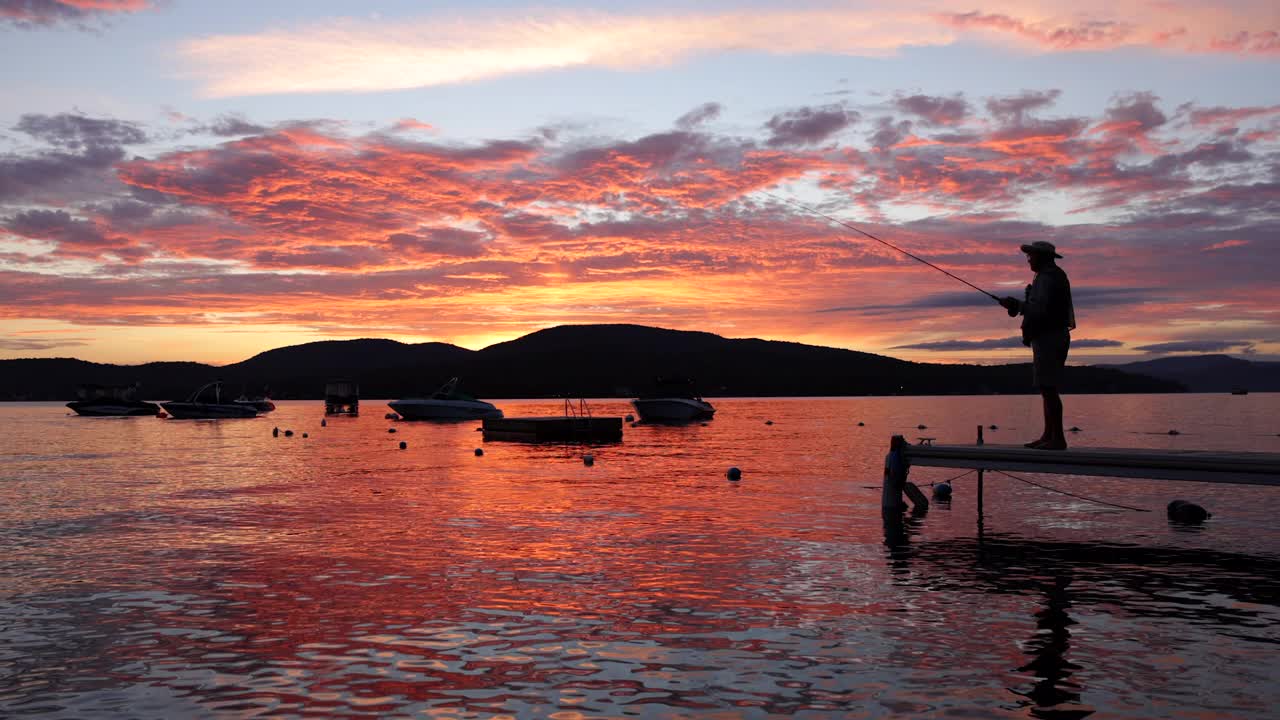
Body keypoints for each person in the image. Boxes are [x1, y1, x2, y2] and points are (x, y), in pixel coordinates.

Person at [998, 241, 1074, 450]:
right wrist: (1020, 306)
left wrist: (1016, 305)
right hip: (1051, 336)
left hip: (1049, 337)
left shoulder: (1048, 278)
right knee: (1046, 387)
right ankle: (1048, 435)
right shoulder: (1051, 276)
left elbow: (1040, 310)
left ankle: (1057, 439)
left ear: (1042, 257)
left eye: (1031, 256)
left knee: (1048, 388)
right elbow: (1039, 308)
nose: (1028, 259)